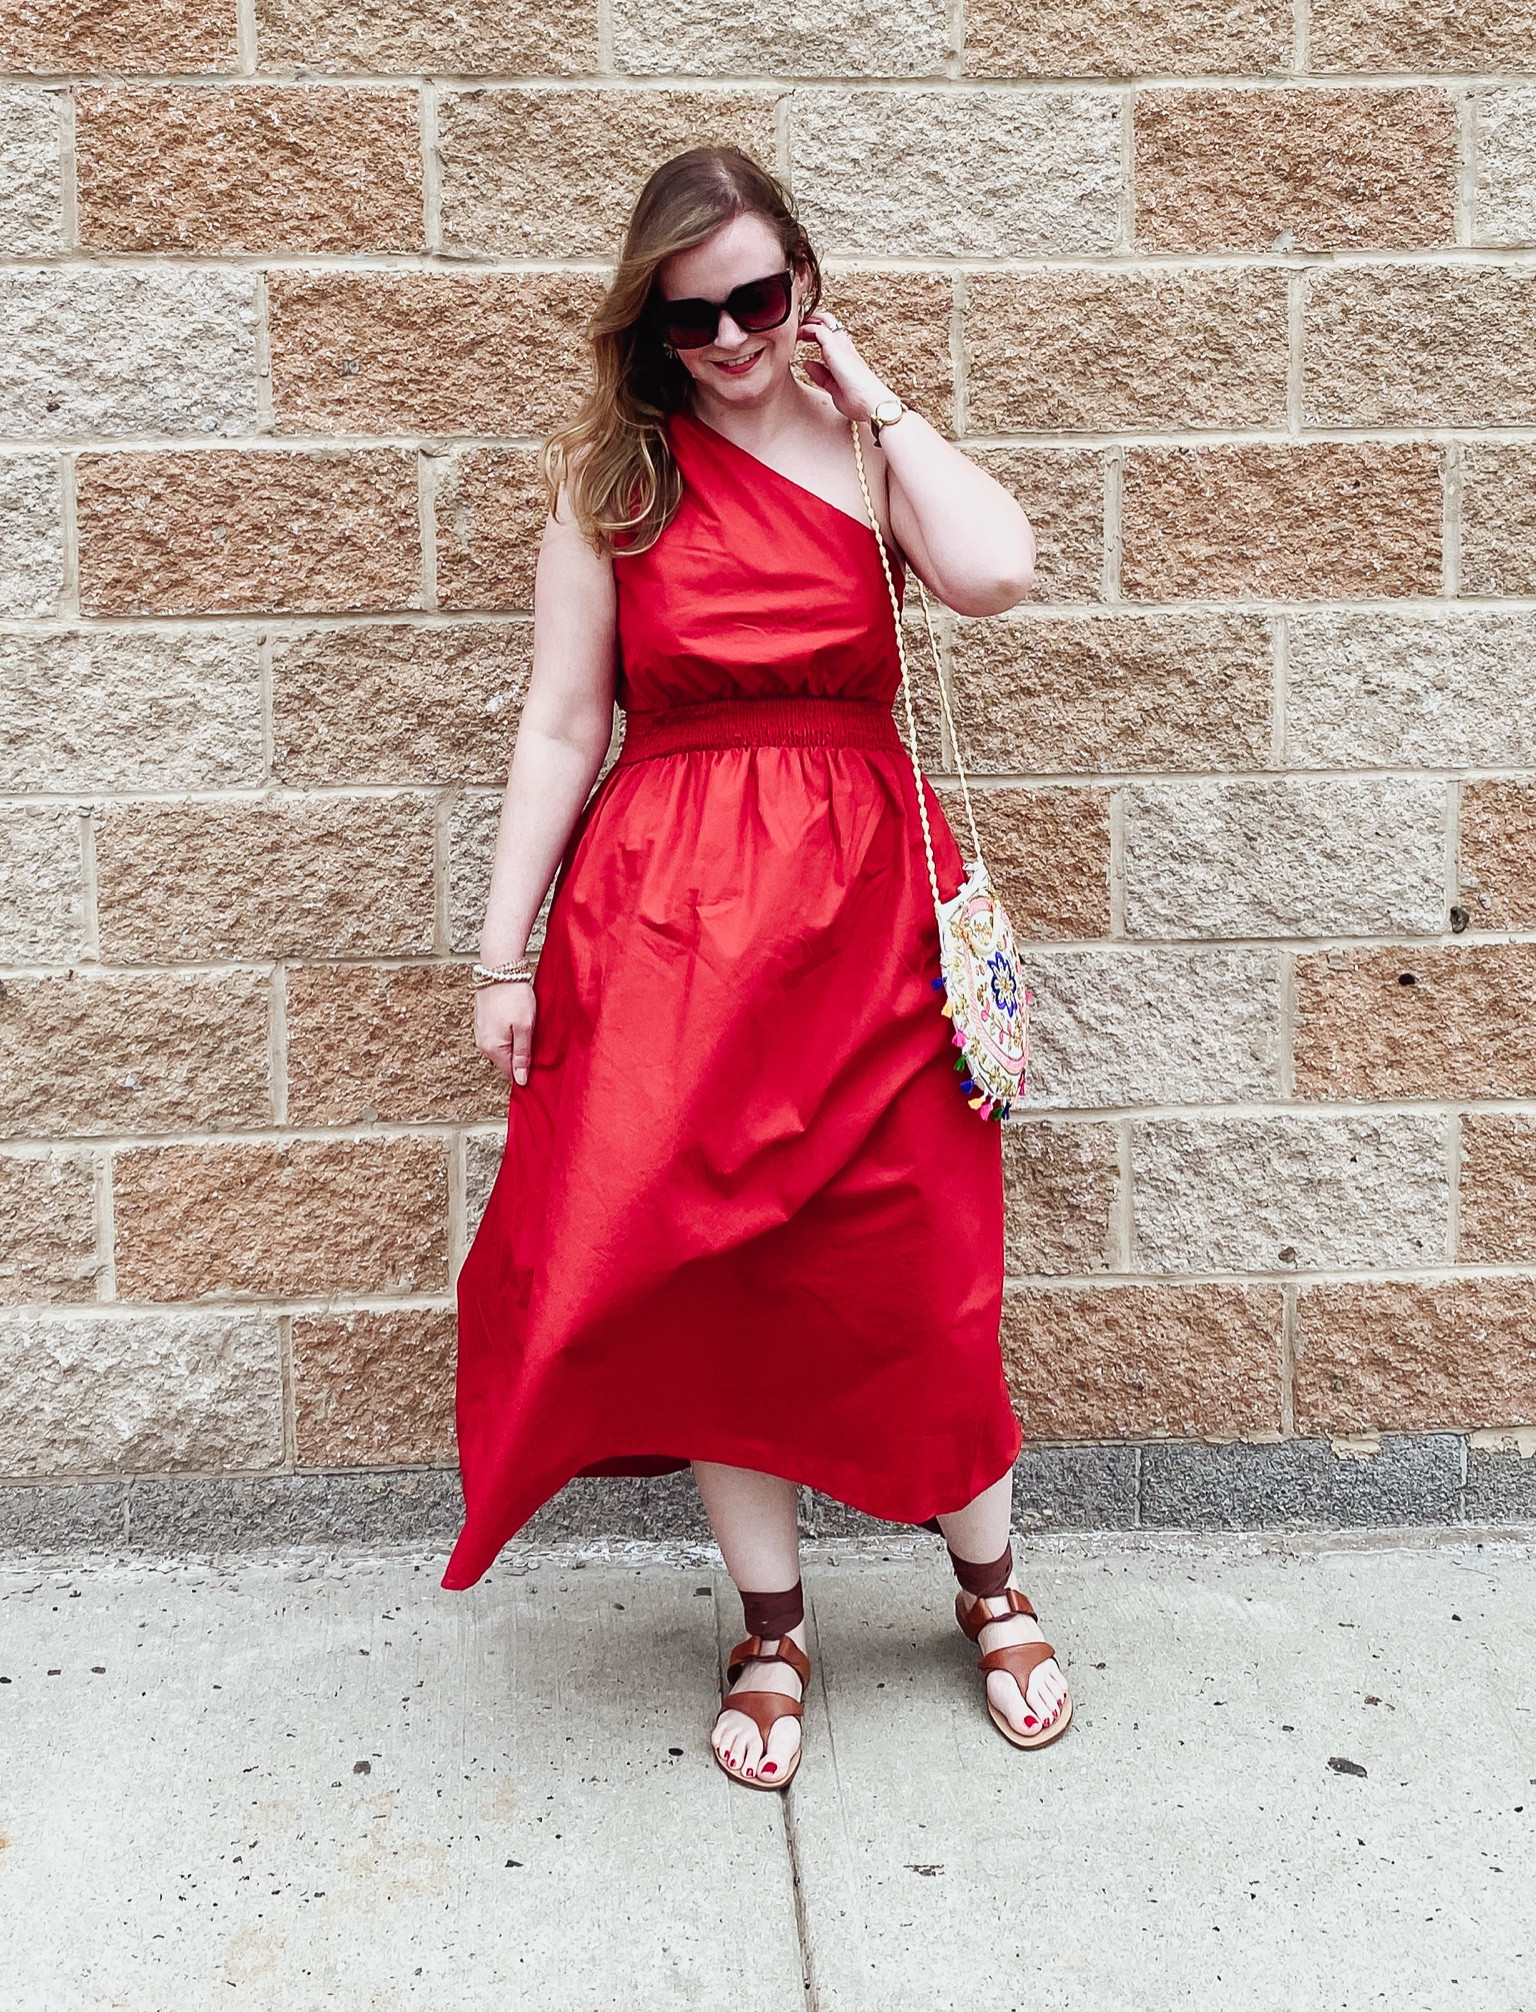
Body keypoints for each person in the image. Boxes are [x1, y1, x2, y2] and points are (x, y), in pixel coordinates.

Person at [444, 144, 1073, 1787]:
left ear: (804, 284)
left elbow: (996, 574)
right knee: (717, 1280)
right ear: (649, 327)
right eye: (691, 318)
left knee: (926, 1264)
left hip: (875, 916)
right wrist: (504, 955)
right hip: (672, 934)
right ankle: (772, 1628)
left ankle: (991, 1591)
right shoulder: (618, 481)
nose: (729, 339)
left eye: (758, 299)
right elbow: (561, 724)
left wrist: (877, 400)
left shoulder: (867, 454)